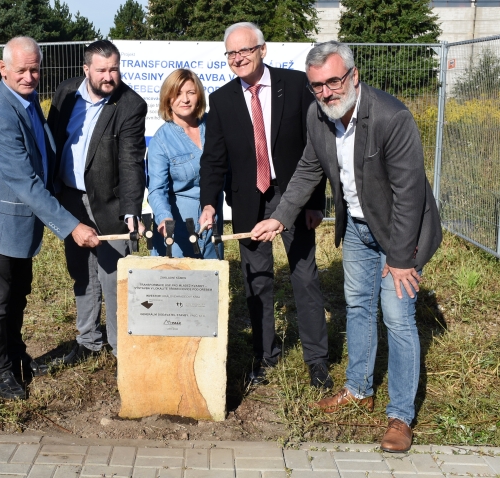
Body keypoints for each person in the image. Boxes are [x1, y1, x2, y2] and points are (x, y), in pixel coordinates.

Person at [253, 41, 443, 452]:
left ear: (354, 76)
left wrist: (400, 260)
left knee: (397, 317)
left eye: (334, 81)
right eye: (317, 85)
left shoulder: (393, 118)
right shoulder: (318, 115)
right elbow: (308, 169)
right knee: (358, 306)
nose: (326, 92)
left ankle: (400, 416)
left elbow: (409, 195)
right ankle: (359, 388)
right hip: (356, 230)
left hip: (399, 234)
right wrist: (280, 216)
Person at [199, 22, 331, 388]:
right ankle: (265, 355)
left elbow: (315, 147)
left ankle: (317, 359)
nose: (238, 58)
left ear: (262, 50)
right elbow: (213, 159)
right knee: (257, 280)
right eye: (231, 53)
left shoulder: (295, 86)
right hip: (248, 203)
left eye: (245, 50)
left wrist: (315, 202)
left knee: (305, 277)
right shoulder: (222, 100)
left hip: (294, 197)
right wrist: (209, 204)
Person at [0, 37, 100, 400]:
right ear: (3, 68)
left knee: (18, 295)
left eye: (34, 69)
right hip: (0, 224)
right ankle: (0, 372)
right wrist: (71, 225)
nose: (29, 77)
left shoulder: (25, 100)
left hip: (22, 223)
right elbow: (24, 182)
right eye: (21, 70)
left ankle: (17, 358)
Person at [48, 40, 147, 365]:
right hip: (70, 198)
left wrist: (131, 208)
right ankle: (88, 341)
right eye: (102, 70)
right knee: (82, 272)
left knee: (114, 275)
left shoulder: (130, 104)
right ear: (86, 69)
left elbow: (131, 160)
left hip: (110, 202)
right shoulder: (65, 93)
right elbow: (53, 140)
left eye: (114, 69)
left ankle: (122, 350)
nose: (109, 76)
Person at [147, 69, 223, 259]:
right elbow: (157, 189)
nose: (185, 99)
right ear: (168, 98)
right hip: (178, 227)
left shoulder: (214, 125)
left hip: (212, 221)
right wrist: (164, 218)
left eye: (191, 92)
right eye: (178, 94)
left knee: (212, 284)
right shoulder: (161, 140)